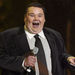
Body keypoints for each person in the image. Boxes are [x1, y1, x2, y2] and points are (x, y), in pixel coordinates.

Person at [0, 2, 75, 75]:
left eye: (40, 15)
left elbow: (61, 55)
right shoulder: (8, 36)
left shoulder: (55, 35)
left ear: (44, 19)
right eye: (32, 15)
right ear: (25, 18)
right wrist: (23, 62)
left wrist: (68, 59)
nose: (36, 18)